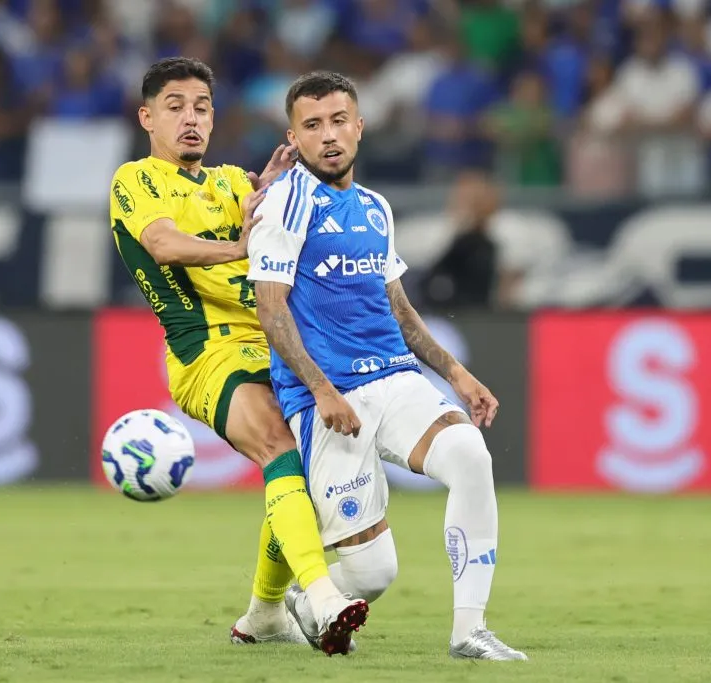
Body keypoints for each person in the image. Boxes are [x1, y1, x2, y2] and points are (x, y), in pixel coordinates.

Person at [246, 70, 528, 661]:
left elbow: (397, 308)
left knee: (471, 455)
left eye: (339, 121)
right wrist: (321, 390)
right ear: (292, 137)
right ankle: (303, 602)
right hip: (327, 401)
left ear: (360, 126)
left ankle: (468, 632)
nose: (329, 136)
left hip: (395, 379)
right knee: (373, 575)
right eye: (313, 125)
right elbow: (270, 310)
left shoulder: (375, 207)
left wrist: (456, 374)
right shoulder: (286, 202)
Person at [108, 57, 367, 657]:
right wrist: (241, 242)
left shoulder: (233, 181)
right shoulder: (136, 179)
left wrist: (283, 193)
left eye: (200, 106)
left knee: (302, 464)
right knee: (278, 443)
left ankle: (264, 612)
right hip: (206, 352)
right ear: (148, 117)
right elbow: (164, 244)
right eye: (174, 107)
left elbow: (289, 232)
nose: (190, 119)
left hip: (275, 341)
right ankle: (322, 598)